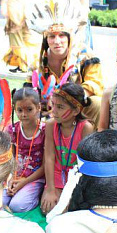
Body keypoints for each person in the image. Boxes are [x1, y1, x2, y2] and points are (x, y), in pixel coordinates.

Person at [27, 0, 103, 125]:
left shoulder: (85, 55)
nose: (57, 41)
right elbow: (30, 90)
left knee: (96, 103)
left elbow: (94, 84)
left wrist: (66, 101)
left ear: (69, 38)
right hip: (47, 109)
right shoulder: (37, 63)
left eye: (62, 35)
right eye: (52, 36)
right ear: (46, 40)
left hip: (77, 106)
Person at [41, 83, 94, 214]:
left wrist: (74, 191)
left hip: (76, 178)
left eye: (60, 107)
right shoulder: (50, 125)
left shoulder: (85, 128)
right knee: (49, 209)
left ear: (76, 110)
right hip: (56, 177)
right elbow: (49, 158)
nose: (53, 110)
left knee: (67, 211)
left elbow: (86, 164)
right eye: (53, 104)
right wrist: (50, 190)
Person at [3, 88, 46, 213]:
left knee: (17, 205)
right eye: (20, 110)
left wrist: (23, 183)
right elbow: (9, 158)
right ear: (14, 109)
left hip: (35, 178)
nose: (23, 114)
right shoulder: (12, 130)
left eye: (29, 109)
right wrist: (10, 179)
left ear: (38, 107)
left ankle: (38, 195)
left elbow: (45, 165)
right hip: (15, 176)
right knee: (1, 201)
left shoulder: (45, 130)